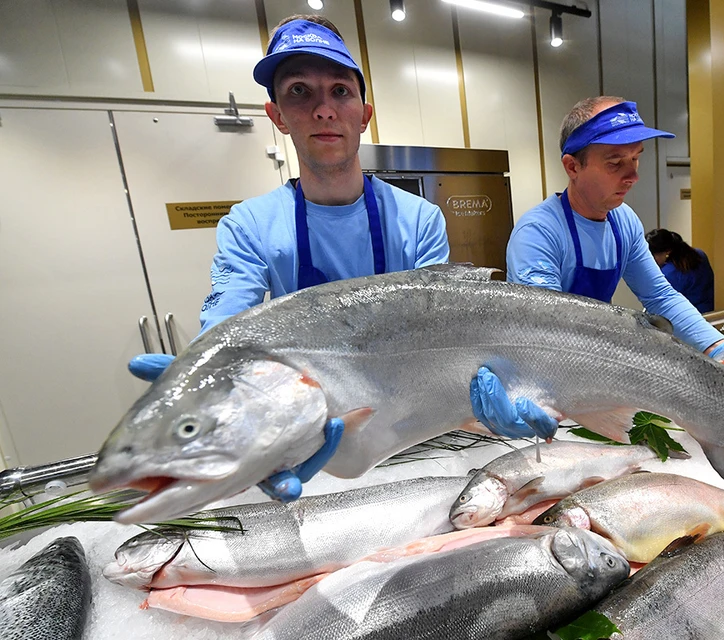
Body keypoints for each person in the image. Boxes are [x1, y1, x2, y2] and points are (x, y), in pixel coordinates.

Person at [128, 16, 556, 502]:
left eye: (339, 92)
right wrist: (208, 378)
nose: (323, 110)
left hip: (419, 437)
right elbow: (228, 317)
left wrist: (493, 387)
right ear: (277, 115)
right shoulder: (249, 225)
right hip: (315, 447)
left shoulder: (418, 219)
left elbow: (449, 335)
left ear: (364, 112)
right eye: (299, 92)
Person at [506, 96, 724, 359]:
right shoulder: (538, 234)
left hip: (589, 360)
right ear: (572, 166)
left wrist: (715, 346)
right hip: (546, 363)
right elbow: (545, 331)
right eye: (615, 163)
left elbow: (660, 296)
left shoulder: (623, 221)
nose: (633, 177)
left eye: (635, 159)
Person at [645, 228, 715, 313]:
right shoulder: (699, 254)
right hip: (708, 312)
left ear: (667, 252)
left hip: (687, 318)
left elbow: (659, 306)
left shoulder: (668, 274)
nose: (651, 260)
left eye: (653, 255)